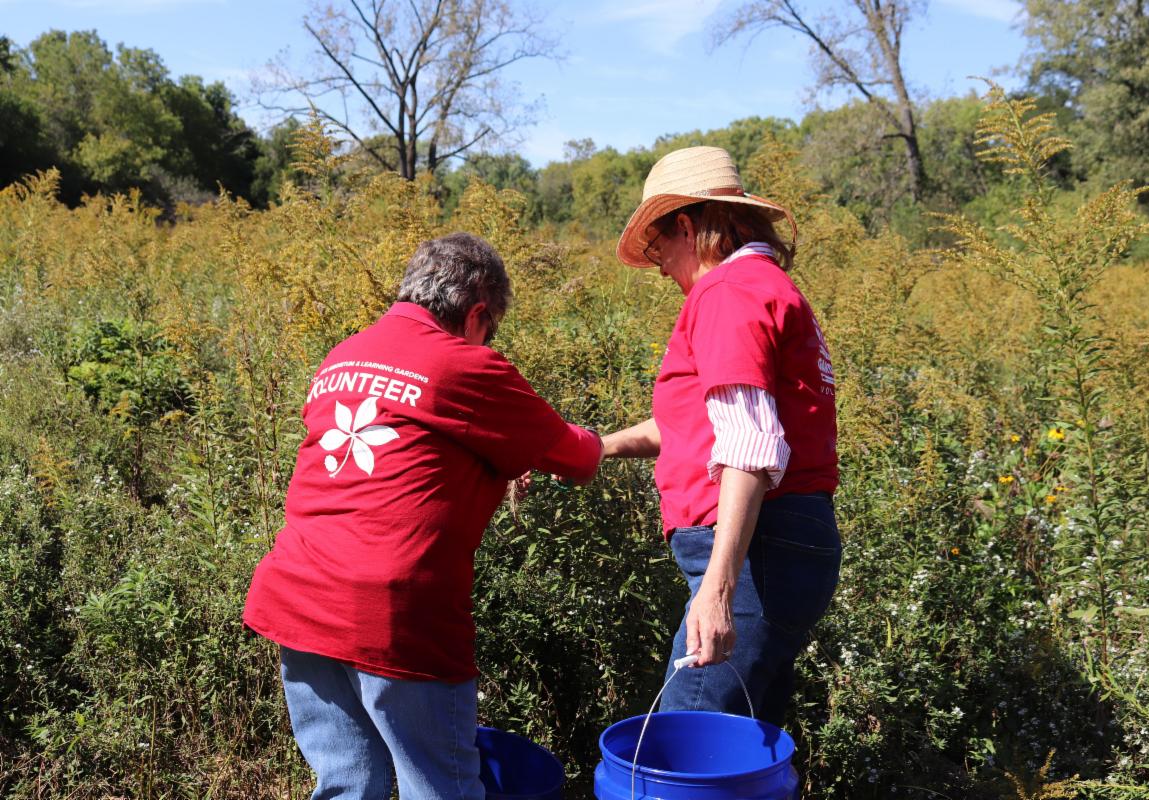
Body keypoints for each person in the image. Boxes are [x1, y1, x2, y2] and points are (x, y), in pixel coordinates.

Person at [242, 232, 602, 800]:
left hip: (299, 596)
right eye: (492, 330)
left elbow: (399, 458)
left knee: (347, 784)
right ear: (477, 312)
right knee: (441, 789)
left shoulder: (345, 353)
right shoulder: (466, 365)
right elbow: (578, 457)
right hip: (393, 613)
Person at [601, 146, 841, 728]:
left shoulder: (727, 295)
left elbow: (750, 450)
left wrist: (718, 589)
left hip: (754, 543)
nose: (659, 268)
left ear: (688, 226)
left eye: (659, 247)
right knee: (740, 742)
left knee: (692, 741)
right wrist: (596, 446)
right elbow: (701, 426)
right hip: (782, 539)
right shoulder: (764, 288)